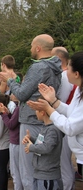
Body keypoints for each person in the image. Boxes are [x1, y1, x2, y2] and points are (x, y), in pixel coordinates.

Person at [0, 34, 62, 190]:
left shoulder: (39, 67)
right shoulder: (55, 65)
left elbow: (22, 94)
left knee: (28, 168)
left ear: (38, 48)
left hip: (32, 120)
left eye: (32, 46)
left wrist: (10, 81)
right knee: (39, 164)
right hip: (44, 118)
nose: (31, 49)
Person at [27, 51, 83, 188]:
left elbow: (70, 127)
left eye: (68, 67)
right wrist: (54, 101)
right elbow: (71, 112)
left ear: (76, 74)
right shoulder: (79, 90)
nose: (65, 70)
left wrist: (49, 109)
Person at [23, 96, 64, 190]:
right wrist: (31, 139)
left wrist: (31, 147)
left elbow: (47, 147)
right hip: (40, 174)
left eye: (37, 110)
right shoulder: (46, 127)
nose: (35, 112)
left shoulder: (52, 129)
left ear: (42, 112)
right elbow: (43, 143)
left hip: (48, 177)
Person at [51, 47, 76, 189]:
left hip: (65, 122)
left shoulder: (65, 76)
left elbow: (62, 101)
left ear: (59, 59)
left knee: (64, 163)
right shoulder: (67, 75)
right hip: (67, 121)